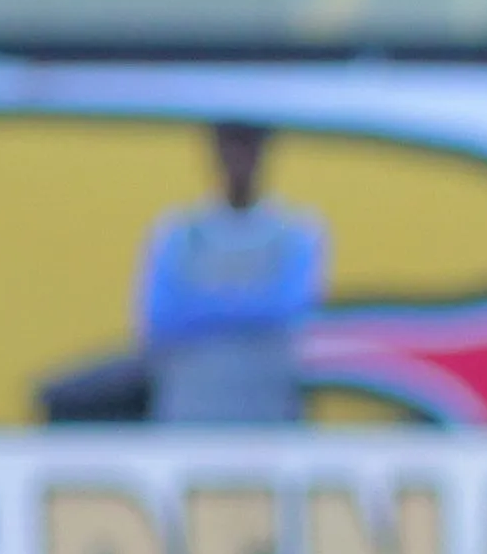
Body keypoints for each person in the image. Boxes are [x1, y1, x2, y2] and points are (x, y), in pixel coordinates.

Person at [41, 122, 329, 425]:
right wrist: (248, 305)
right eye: (229, 145)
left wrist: (204, 306)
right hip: (188, 414)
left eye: (248, 146)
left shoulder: (295, 232)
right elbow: (162, 316)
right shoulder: (180, 233)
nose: (238, 157)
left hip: (267, 414)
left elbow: (289, 309)